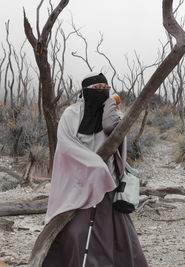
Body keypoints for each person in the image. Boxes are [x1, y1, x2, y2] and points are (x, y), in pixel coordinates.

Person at [43, 73, 148, 267]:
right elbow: (67, 146)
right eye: (96, 88)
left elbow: (112, 130)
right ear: (84, 92)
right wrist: (94, 164)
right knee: (75, 233)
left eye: (104, 87)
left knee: (118, 235)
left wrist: (110, 105)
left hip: (106, 183)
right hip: (78, 182)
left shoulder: (114, 114)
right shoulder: (71, 115)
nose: (101, 91)